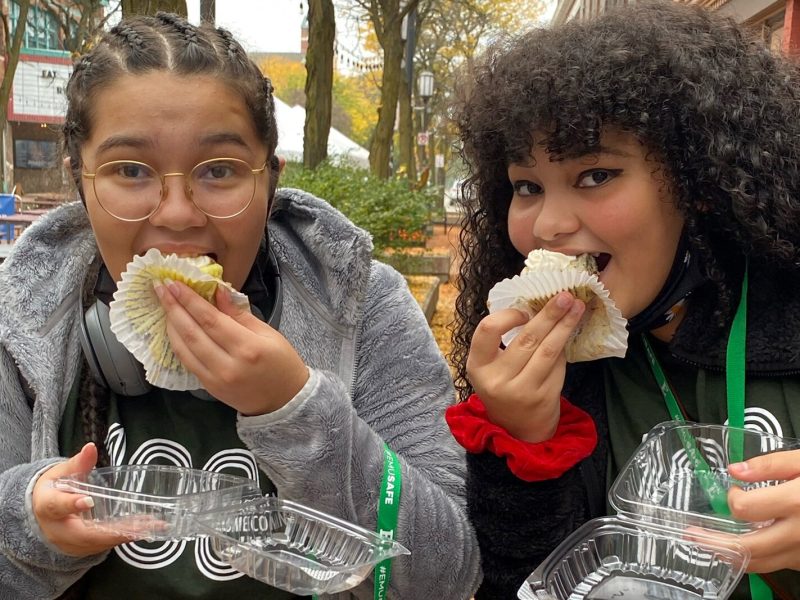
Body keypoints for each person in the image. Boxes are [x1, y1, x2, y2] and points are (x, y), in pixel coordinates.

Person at [0, 13, 480, 600]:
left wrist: (294, 407)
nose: (177, 213)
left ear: (270, 180)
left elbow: (444, 579)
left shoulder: (366, 306)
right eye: (130, 171)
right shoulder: (20, 319)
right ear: (81, 180)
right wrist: (30, 525)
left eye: (220, 170)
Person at [444, 2, 800, 599]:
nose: (549, 224)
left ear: (698, 183)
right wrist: (527, 440)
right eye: (527, 186)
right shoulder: (570, 375)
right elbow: (521, 582)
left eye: (595, 175)